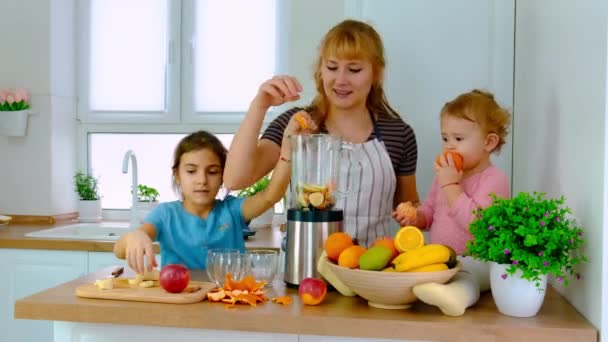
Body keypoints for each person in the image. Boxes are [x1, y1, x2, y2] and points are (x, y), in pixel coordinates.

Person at [225, 19, 420, 247]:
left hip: (372, 271)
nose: (341, 80)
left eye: (354, 69)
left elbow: (409, 207)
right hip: (304, 272)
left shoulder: (399, 134)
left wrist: (414, 213)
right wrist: (259, 105)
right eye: (332, 67)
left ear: (376, 74)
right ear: (320, 70)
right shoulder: (296, 124)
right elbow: (235, 179)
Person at [114, 127, 301, 274]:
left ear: (222, 177)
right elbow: (119, 250)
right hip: (180, 303)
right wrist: (135, 237)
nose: (202, 180)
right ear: (177, 175)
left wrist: (287, 152)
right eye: (191, 171)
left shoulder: (232, 210)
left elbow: (270, 196)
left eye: (212, 172)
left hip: (230, 301)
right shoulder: (165, 214)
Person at [393, 89, 512, 316]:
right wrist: (414, 217)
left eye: (458, 139)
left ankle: (457, 298)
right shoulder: (446, 175)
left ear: (489, 142)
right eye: (445, 138)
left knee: (468, 276)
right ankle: (434, 290)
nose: (449, 146)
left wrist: (451, 186)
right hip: (445, 262)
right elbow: (430, 213)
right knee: (414, 267)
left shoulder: (494, 180)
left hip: (480, 262)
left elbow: (477, 225)